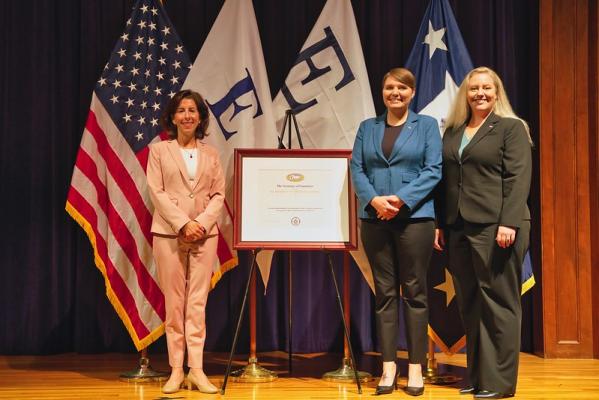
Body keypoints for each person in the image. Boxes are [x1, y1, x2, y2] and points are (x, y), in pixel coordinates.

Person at [434, 66, 532, 399]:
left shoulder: (511, 128)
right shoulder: (453, 131)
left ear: (497, 92)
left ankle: (499, 384)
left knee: (499, 303)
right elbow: (445, 181)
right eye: (474, 88)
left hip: (497, 226)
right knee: (471, 304)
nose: (480, 93)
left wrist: (509, 221)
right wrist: (440, 223)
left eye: (487, 88)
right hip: (459, 227)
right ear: (465, 93)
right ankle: (477, 377)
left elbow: (518, 178)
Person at [351, 67, 442, 396]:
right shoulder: (367, 127)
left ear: (412, 93)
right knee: (385, 295)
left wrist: (401, 200)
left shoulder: (427, 126)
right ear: (383, 92)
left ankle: (415, 368)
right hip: (375, 219)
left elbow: (434, 170)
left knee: (416, 294)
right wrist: (375, 200)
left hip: (415, 219)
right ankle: (388, 368)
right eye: (390, 87)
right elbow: (357, 168)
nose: (395, 93)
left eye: (402, 88)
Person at [146, 89, 225, 394]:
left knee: (197, 304)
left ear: (201, 116)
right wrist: (183, 223)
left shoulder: (212, 154)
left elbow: (218, 194)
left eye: (193, 110)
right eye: (181, 110)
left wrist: (201, 224)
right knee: (174, 304)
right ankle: (176, 370)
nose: (187, 115)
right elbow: (157, 192)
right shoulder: (159, 151)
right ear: (172, 116)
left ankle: (197, 370)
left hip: (205, 236)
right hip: (169, 234)